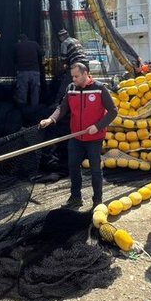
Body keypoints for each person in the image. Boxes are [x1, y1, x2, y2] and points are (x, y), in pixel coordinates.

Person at [39, 62, 117, 209]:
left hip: (94, 138)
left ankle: (97, 200)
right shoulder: (71, 89)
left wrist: (98, 127)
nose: (73, 79)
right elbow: (62, 108)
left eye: (76, 76)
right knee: (73, 167)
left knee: (95, 170)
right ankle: (75, 198)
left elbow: (113, 111)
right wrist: (51, 119)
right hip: (76, 137)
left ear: (85, 74)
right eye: (72, 76)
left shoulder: (99, 88)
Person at [14, 33, 44, 106]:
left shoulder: (17, 46)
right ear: (27, 39)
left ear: (19, 40)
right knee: (35, 91)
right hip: (35, 71)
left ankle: (22, 108)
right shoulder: (34, 44)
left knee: (22, 90)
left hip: (22, 71)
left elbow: (13, 58)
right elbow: (42, 53)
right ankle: (35, 107)